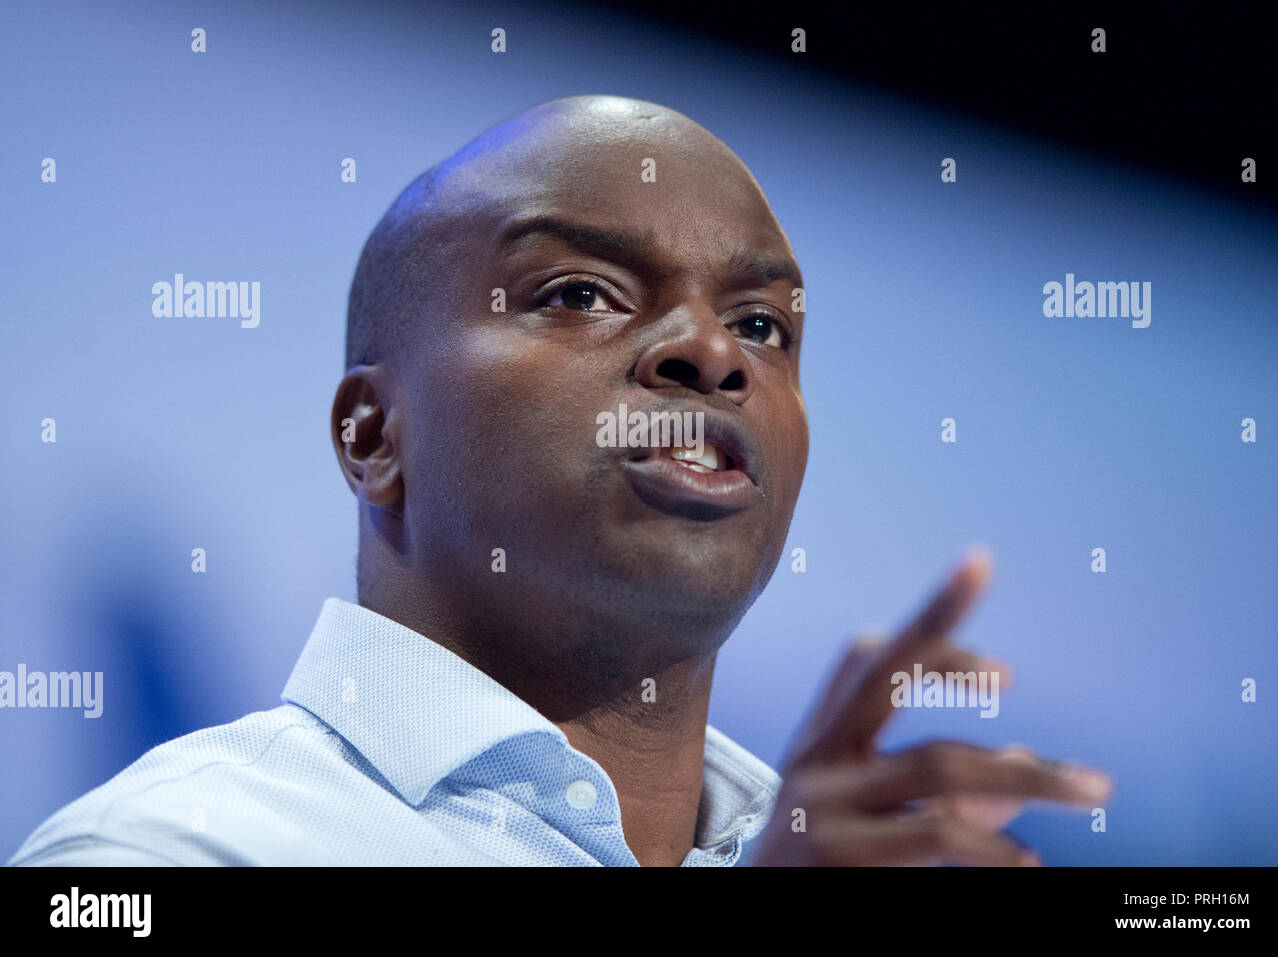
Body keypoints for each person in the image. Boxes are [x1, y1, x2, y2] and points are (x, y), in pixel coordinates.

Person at [8, 94, 1110, 867]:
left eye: (762, 325)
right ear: (372, 433)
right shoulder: (165, 852)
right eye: (580, 293)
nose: (712, 355)